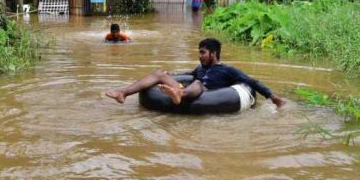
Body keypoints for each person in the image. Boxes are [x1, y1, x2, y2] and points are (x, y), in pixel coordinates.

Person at [105, 38, 285, 107]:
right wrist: (170, 74)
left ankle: (179, 94)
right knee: (160, 72)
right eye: (199, 52)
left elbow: (250, 81)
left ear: (213, 54)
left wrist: (272, 96)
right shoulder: (200, 69)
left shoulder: (226, 70)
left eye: (203, 53)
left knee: (198, 83)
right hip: (189, 89)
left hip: (206, 92)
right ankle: (124, 93)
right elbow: (188, 73)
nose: (200, 56)